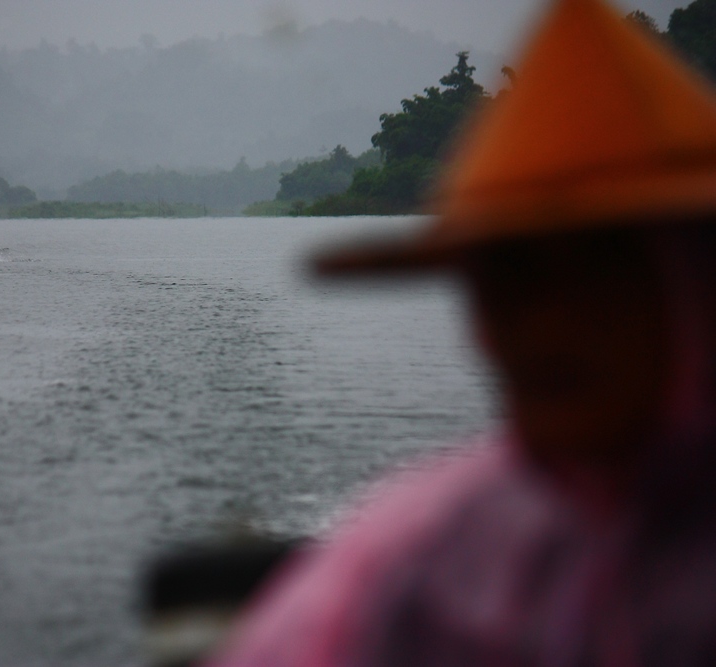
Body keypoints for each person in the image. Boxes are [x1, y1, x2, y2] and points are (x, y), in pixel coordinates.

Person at [204, 0, 716, 664]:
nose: (543, 322)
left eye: (602, 268)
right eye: (505, 276)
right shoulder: (421, 550)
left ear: (696, 282)